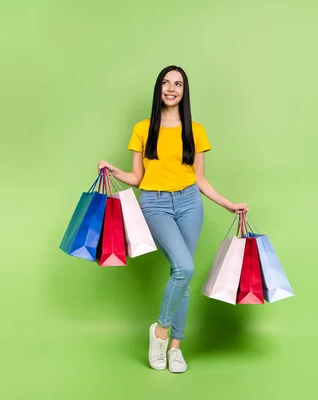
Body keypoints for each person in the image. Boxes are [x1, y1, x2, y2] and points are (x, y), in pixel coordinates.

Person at [98, 65, 248, 373]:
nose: (171, 88)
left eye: (177, 84)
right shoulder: (143, 129)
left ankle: (176, 349)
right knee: (185, 267)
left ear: (184, 91)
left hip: (190, 202)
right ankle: (161, 332)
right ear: (159, 89)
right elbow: (138, 178)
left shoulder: (196, 130)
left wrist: (228, 204)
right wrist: (115, 172)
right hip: (155, 204)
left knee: (184, 276)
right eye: (166, 83)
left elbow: (201, 180)